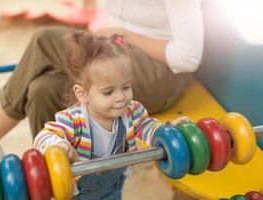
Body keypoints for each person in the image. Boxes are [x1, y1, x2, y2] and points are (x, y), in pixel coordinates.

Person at [0, 0, 203, 166]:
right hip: (117, 52)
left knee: (44, 40)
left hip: (160, 74)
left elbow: (188, 58)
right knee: (42, 88)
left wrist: (122, 35)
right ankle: (55, 171)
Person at [33, 31, 188, 199]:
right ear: (82, 94)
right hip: (78, 193)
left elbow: (148, 128)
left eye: (126, 87)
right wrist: (58, 145)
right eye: (108, 92)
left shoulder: (131, 112)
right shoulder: (74, 120)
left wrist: (167, 131)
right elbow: (44, 136)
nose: (121, 97)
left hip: (114, 186)